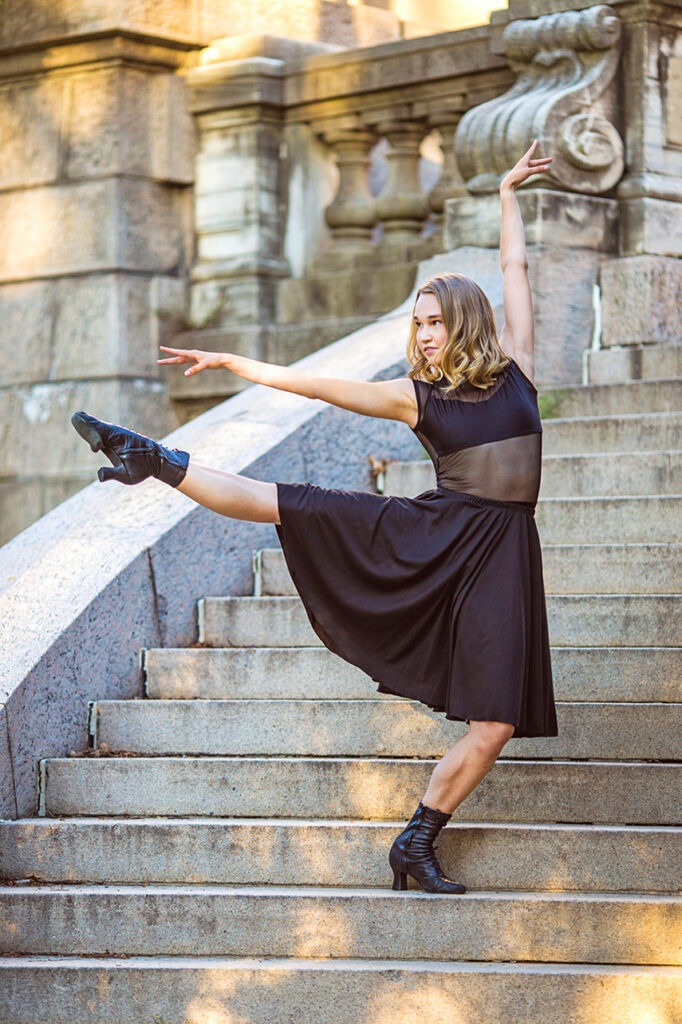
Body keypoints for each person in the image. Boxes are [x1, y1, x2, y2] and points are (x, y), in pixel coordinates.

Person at [71, 140, 557, 896]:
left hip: (502, 554)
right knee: (286, 504)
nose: (424, 334)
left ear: (465, 321)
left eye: (434, 321)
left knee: (494, 722)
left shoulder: (519, 367)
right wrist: (237, 364)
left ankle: (414, 841)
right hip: (437, 536)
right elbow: (320, 386)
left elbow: (517, 271)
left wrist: (505, 193)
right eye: (418, 324)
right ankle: (156, 460)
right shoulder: (413, 396)